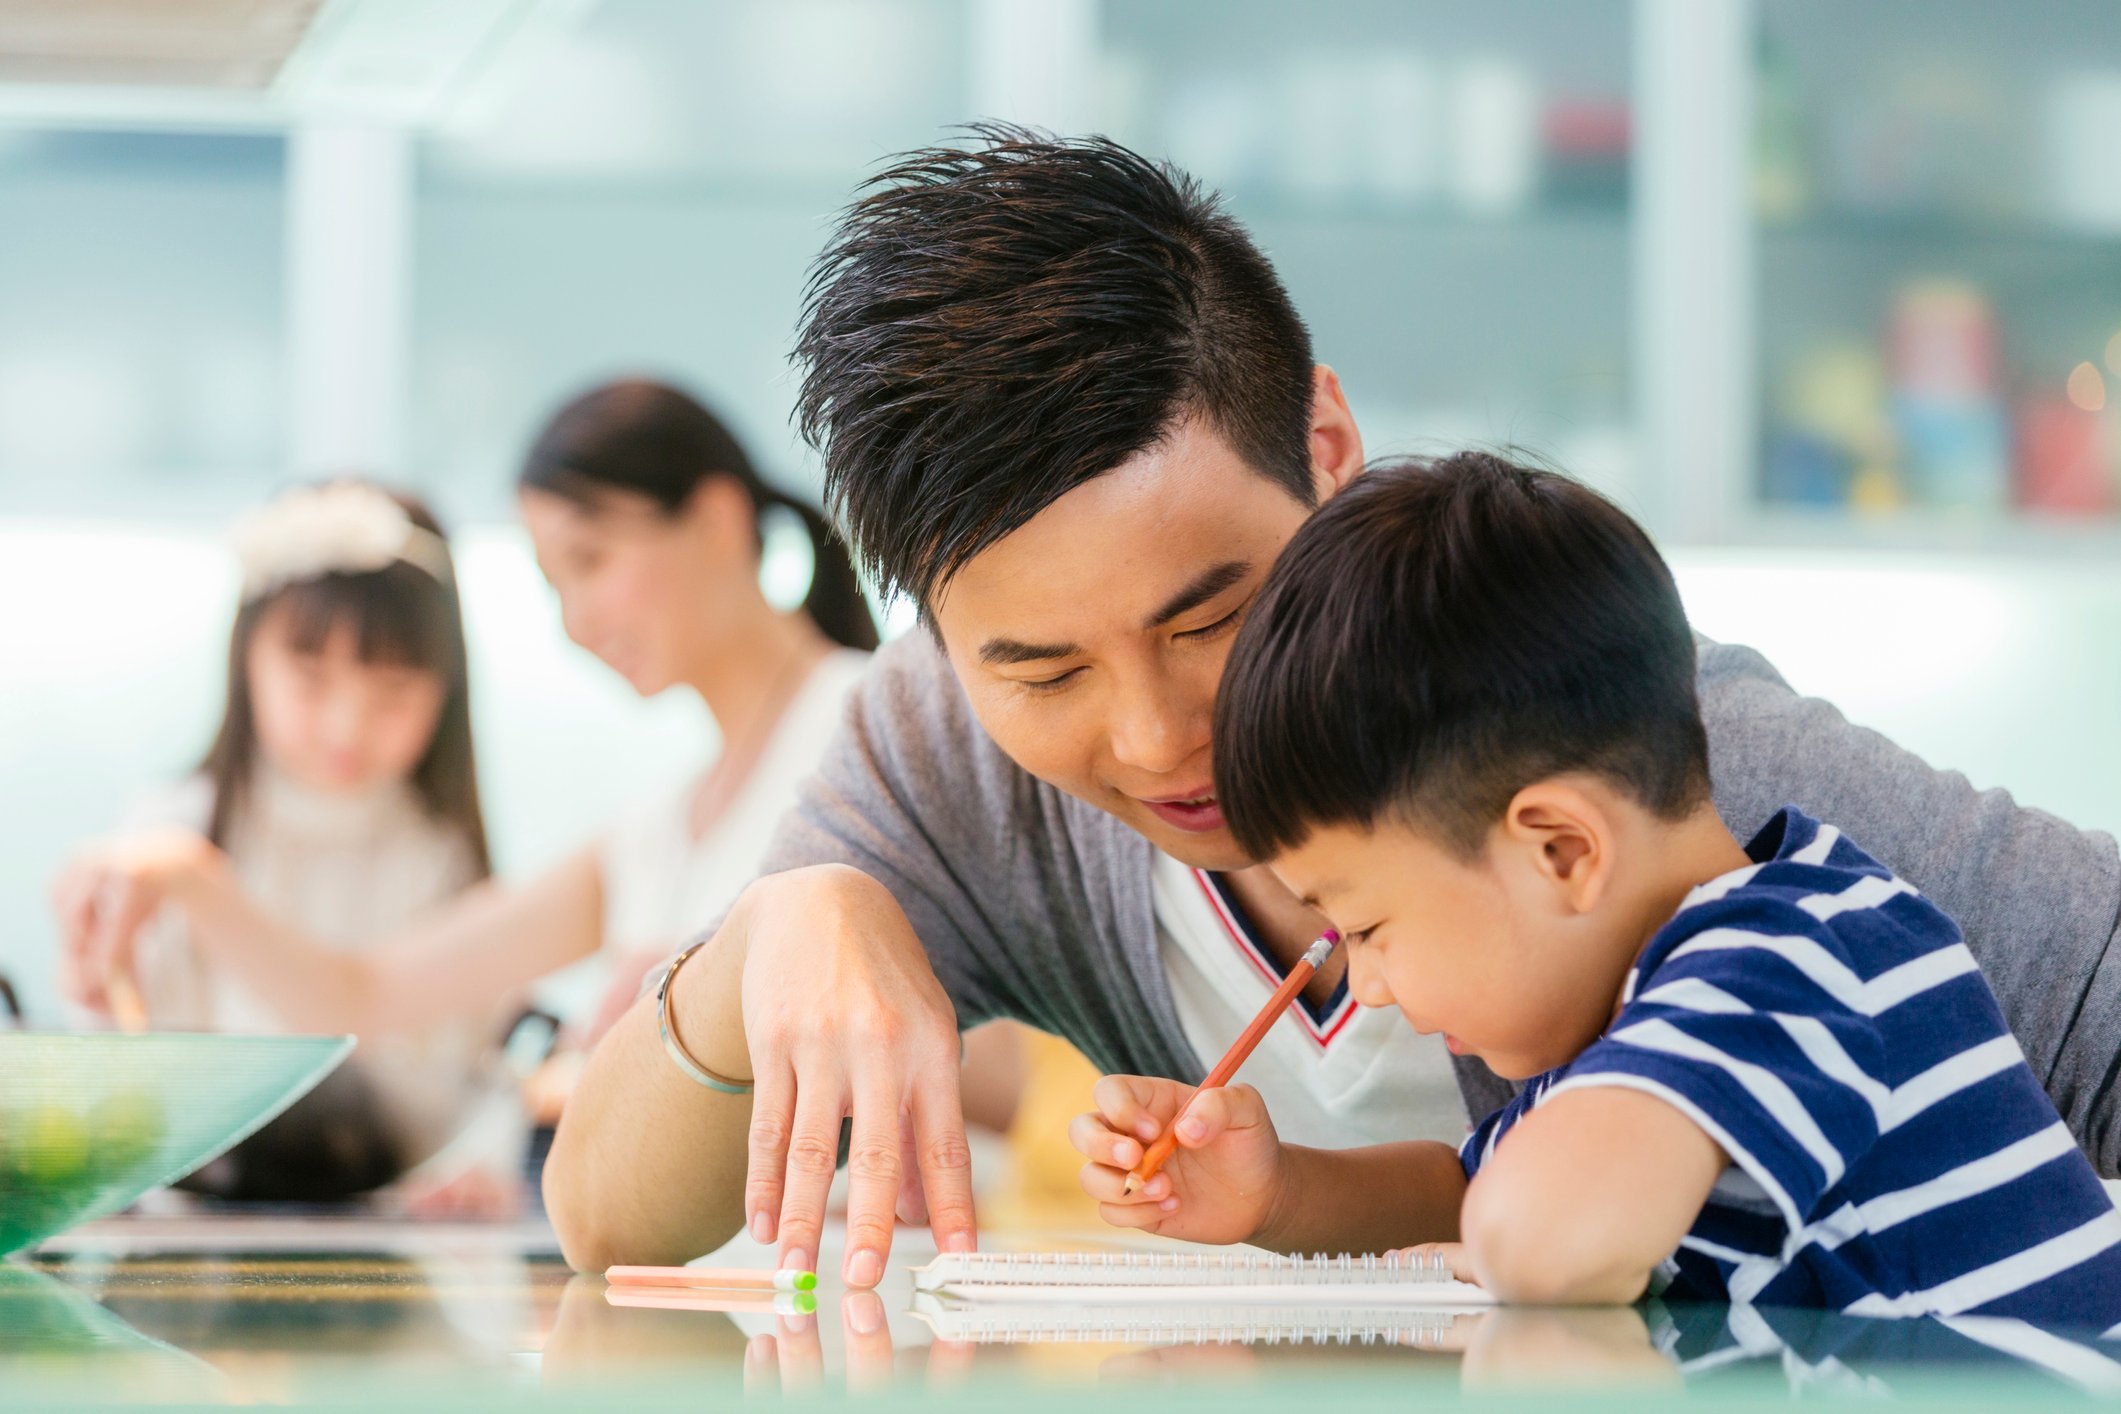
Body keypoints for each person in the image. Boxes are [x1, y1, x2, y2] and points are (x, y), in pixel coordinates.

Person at [543, 130, 2121, 1285]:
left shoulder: (1643, 762)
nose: (1158, 737)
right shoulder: (937, 760)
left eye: (1212, 615)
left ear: (1330, 444)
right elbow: (606, 1216)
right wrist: (769, 936)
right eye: (1039, 670)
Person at [1072, 453, 2121, 1322]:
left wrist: (1504, 1241)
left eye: (1371, 925)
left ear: (1563, 849)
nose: (1375, 985)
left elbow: (1544, 1241)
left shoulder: (1788, 958)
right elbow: (1477, 1192)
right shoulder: (1643, 1022)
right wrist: (1277, 1191)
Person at [53, 382, 893, 1155]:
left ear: (715, 520)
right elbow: (365, 996)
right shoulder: (656, 830)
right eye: (551, 582)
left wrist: (697, 1026)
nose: (576, 621)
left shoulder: (876, 715)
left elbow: (993, 1037)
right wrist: (190, 876)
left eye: (590, 560)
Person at [53, 480, 510, 1200]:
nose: (345, 728)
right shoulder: (165, 833)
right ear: (246, 661)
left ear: (445, 690)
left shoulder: (439, 856)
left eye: (392, 691)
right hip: (181, 1230)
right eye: (309, 678)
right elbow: (114, 1062)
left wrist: (478, 1162)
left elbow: (468, 1082)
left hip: (391, 1231)